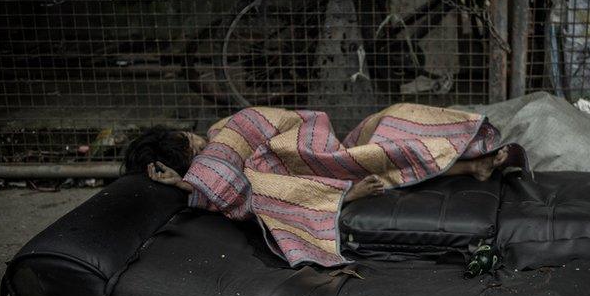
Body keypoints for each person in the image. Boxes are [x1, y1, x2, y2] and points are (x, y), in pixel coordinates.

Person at [123, 104, 520, 267]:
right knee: (364, 169)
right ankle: (472, 168)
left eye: (189, 136)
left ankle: (470, 163)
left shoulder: (223, 132)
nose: (197, 139)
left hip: (319, 152)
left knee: (392, 122)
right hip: (311, 177)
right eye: (189, 145)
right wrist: (187, 183)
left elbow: (273, 126)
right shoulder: (205, 169)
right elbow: (239, 191)